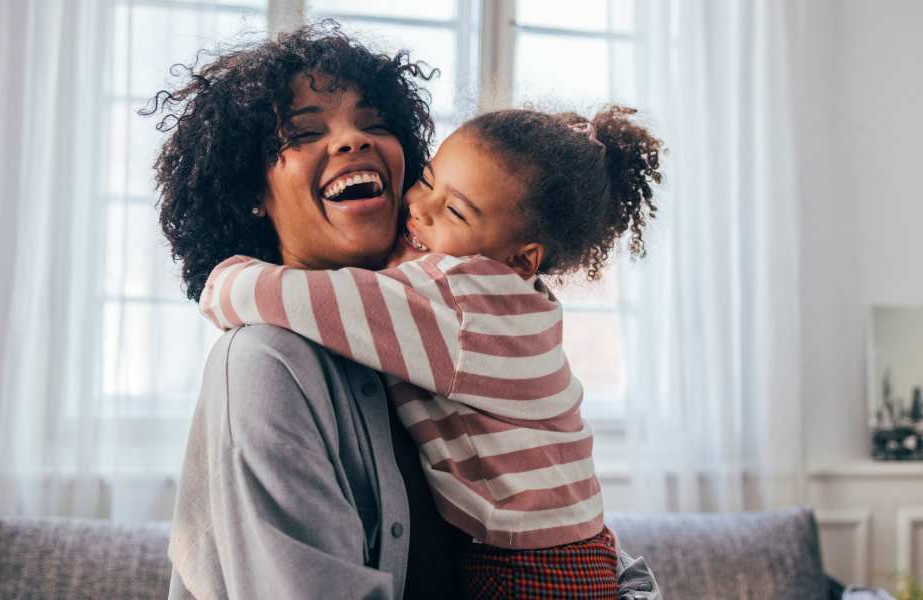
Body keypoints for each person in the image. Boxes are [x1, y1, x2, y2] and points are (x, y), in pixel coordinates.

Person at [199, 105, 663, 599]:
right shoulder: (511, 301)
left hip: (526, 574)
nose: (419, 208)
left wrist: (222, 278)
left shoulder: (460, 300)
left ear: (520, 258)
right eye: (426, 180)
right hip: (576, 556)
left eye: (455, 212)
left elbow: (277, 296)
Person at [146, 24, 461, 599]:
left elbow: (574, 532)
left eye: (375, 124)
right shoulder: (264, 363)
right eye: (305, 131)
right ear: (250, 194)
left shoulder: (440, 334)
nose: (353, 141)